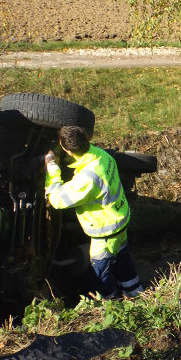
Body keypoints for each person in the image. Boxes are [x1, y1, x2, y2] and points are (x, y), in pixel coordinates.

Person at [44, 125, 143, 298]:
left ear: (67, 150)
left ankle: (112, 305)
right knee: (122, 260)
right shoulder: (99, 154)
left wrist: (52, 167)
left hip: (105, 233)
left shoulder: (88, 178)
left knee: (100, 275)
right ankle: (137, 294)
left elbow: (57, 200)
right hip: (120, 220)